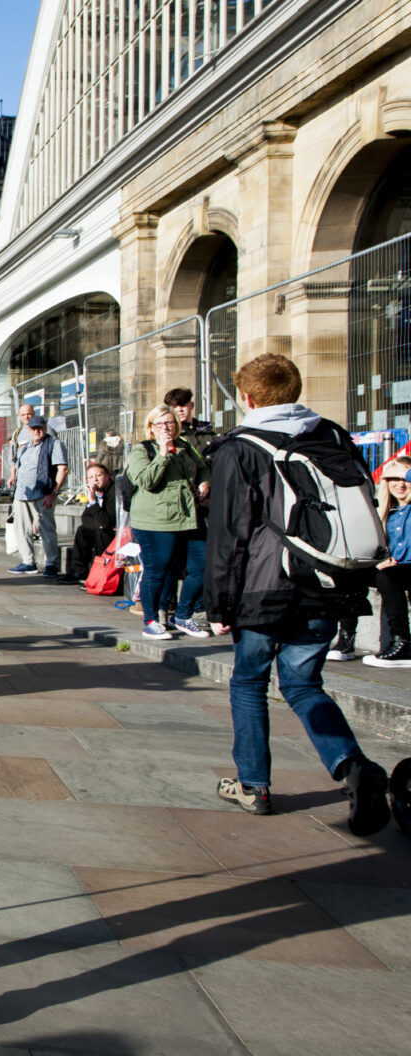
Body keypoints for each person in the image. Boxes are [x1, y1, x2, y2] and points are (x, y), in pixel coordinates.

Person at [204, 352, 389, 833]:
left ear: (246, 397)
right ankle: (354, 767)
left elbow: (230, 535)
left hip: (264, 590)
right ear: (295, 390)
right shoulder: (330, 434)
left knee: (248, 684)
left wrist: (219, 604)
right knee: (304, 684)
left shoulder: (239, 448)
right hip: (327, 583)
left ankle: (254, 785)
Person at [126, 406, 211, 639]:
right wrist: (163, 454)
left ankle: (183, 615)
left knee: (202, 566)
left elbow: (203, 468)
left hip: (187, 517)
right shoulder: (141, 450)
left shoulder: (186, 447)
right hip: (155, 520)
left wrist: (205, 482)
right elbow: (146, 480)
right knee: (158, 570)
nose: (166, 427)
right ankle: (152, 619)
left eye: (170, 423)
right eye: (160, 423)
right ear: (151, 428)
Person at [364, 455, 411, 668]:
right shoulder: (385, 513)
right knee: (351, 575)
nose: (400, 483)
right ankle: (345, 639)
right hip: (395, 571)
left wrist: (397, 468)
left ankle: (401, 641)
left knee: (388, 577)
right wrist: (381, 561)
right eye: (394, 478)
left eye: (405, 478)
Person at [7, 415, 68, 576]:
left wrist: (53, 492)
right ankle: (28, 561)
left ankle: (51, 563)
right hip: (22, 493)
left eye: (40, 428)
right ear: (29, 429)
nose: (37, 431)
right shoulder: (25, 446)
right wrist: (13, 477)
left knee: (46, 529)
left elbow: (63, 469)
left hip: (43, 493)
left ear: (45, 427)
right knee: (22, 529)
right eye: (34, 428)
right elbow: (17, 464)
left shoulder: (54, 444)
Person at [63, 462, 119, 585]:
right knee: (83, 530)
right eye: (91, 477)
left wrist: (93, 502)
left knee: (102, 532)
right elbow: (86, 519)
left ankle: (99, 572)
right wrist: (94, 503)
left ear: (108, 476)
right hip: (104, 527)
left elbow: (106, 521)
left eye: (98, 475)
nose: (95, 480)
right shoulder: (94, 493)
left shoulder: (114, 492)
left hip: (116, 533)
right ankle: (78, 571)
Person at [162, 387, 219, 456]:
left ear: (191, 405)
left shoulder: (206, 429)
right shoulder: (169, 432)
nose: (180, 410)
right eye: (175, 406)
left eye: (183, 405)